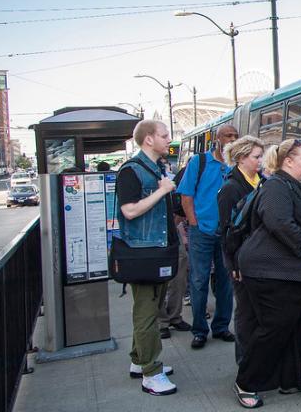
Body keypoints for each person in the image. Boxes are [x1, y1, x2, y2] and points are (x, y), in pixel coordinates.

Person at [232, 139, 301, 408]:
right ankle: (246, 382)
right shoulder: (276, 185)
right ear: (288, 160)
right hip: (271, 271)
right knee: (276, 327)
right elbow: (278, 220)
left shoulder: (300, 186)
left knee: (298, 326)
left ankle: (291, 380)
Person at [115, 120, 178, 396]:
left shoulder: (156, 169)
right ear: (148, 140)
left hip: (158, 251)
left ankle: (139, 361)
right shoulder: (131, 171)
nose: (169, 140)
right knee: (147, 314)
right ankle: (151, 373)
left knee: (149, 310)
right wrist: (162, 191)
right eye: (164, 136)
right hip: (144, 253)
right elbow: (129, 211)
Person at [178, 124, 239, 349]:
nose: (232, 139)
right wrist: (195, 223)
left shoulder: (235, 166)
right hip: (202, 231)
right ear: (217, 138)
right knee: (199, 280)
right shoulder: (199, 162)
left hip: (227, 233)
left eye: (235, 136)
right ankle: (200, 330)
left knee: (226, 282)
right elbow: (186, 196)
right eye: (228, 136)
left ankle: (221, 327)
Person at [216, 135, 266, 364]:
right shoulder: (230, 189)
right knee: (246, 314)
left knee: (262, 313)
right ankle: (245, 362)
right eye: (256, 157)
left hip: (262, 258)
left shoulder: (262, 181)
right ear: (241, 158)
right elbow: (227, 230)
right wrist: (234, 264)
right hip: (243, 261)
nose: (261, 161)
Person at [158, 155, 192, 340]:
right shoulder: (139, 170)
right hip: (155, 233)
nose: (168, 140)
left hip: (171, 230)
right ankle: (162, 321)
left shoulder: (171, 174)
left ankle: (174, 316)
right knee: (160, 277)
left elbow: (179, 202)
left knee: (180, 270)